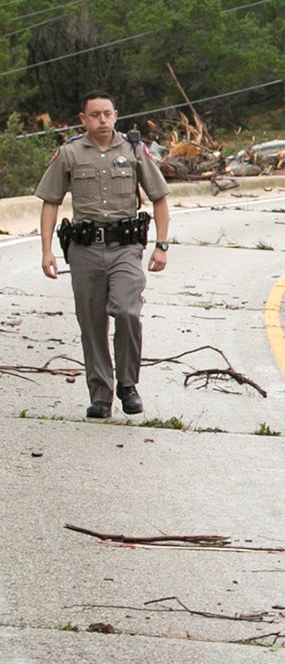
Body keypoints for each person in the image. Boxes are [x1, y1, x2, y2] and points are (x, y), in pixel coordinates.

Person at [37, 91, 171, 419]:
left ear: (116, 115)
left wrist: (161, 245)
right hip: (84, 250)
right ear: (83, 119)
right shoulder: (69, 153)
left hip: (125, 247)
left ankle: (127, 383)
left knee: (127, 312)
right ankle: (100, 395)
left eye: (107, 114)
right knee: (92, 322)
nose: (102, 121)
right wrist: (46, 250)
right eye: (94, 115)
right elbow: (50, 201)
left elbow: (160, 197)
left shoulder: (134, 150)